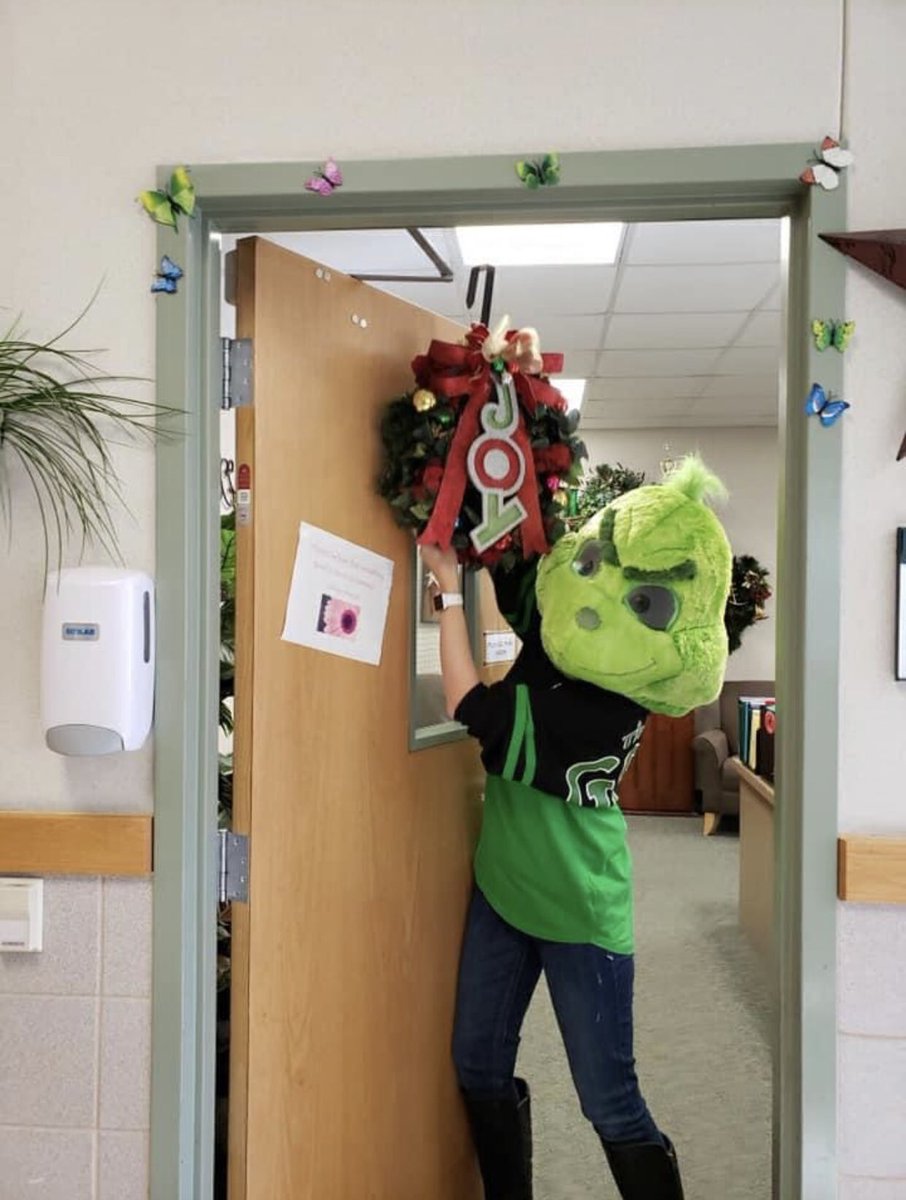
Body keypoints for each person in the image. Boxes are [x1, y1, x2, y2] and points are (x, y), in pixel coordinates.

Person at [421, 456, 732, 1200]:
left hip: (579, 911)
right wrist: (481, 554)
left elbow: (473, 709)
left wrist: (446, 593)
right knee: (478, 1065)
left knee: (608, 1100)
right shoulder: (558, 652)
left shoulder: (607, 708)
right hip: (503, 886)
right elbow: (526, 603)